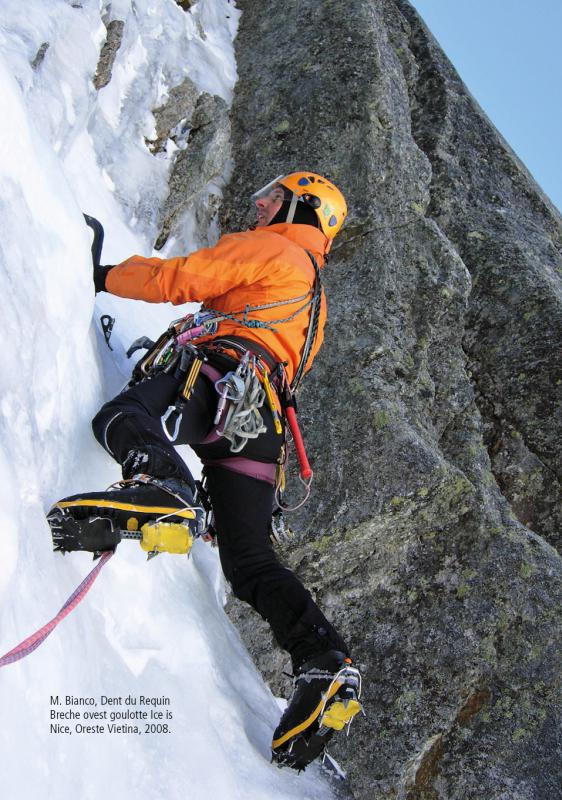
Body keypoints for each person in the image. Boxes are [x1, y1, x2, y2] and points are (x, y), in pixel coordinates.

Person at [48, 171, 362, 770]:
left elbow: (181, 278)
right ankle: (323, 660)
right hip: (259, 422)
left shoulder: (275, 248)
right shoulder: (315, 297)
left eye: (271, 198)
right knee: (251, 564)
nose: (259, 205)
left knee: (122, 416)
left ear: (301, 207)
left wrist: (97, 274)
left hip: (215, 378)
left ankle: (162, 483)